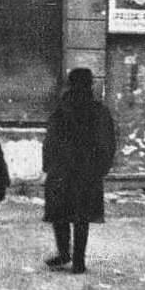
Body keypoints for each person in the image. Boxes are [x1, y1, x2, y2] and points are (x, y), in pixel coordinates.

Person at [43, 68, 116, 274]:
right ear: (91, 84)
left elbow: (50, 141)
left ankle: (64, 253)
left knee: (60, 214)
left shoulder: (61, 109)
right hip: (88, 174)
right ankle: (78, 261)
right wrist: (100, 169)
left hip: (62, 172)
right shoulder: (99, 110)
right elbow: (108, 144)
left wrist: (48, 167)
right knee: (82, 217)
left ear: (70, 83)